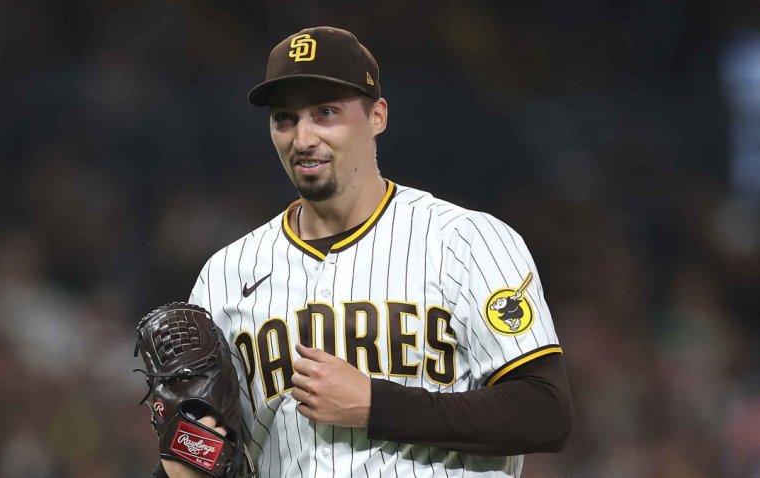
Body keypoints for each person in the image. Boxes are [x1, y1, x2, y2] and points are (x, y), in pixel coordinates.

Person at [173, 26, 572, 478]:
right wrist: (183, 458)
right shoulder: (225, 273)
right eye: (285, 118)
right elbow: (208, 445)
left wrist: (375, 405)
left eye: (325, 113)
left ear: (378, 115)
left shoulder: (467, 240)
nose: (302, 138)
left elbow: (545, 410)